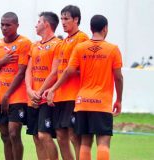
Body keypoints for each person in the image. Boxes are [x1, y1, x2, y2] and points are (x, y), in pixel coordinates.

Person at [46, 14, 123, 160]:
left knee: (85, 143)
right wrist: (118, 100)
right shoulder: (113, 49)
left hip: (82, 103)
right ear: (105, 28)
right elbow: (118, 77)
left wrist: (53, 88)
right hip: (102, 102)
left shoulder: (80, 48)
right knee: (103, 142)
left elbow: (69, 71)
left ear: (90, 28)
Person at [41, 5, 89, 160]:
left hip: (73, 95)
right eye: (61, 18)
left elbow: (76, 69)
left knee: (74, 136)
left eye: (66, 18)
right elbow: (57, 70)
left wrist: (53, 88)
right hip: (60, 96)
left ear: (76, 19)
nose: (63, 22)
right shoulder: (63, 42)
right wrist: (50, 89)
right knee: (61, 136)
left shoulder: (82, 39)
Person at [0, 12, 31, 160]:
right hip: (0, 95)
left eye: (8, 25)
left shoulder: (24, 43)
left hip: (17, 95)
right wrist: (2, 62)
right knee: (5, 136)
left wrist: (7, 95)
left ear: (17, 26)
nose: (4, 28)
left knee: (13, 132)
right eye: (2, 24)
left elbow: (21, 72)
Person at [24, 11, 61, 160]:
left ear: (46, 24)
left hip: (45, 98)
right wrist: (29, 90)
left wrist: (39, 92)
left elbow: (54, 72)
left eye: (38, 22)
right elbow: (29, 69)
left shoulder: (57, 44)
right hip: (32, 98)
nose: (36, 25)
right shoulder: (34, 45)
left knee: (44, 135)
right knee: (35, 137)